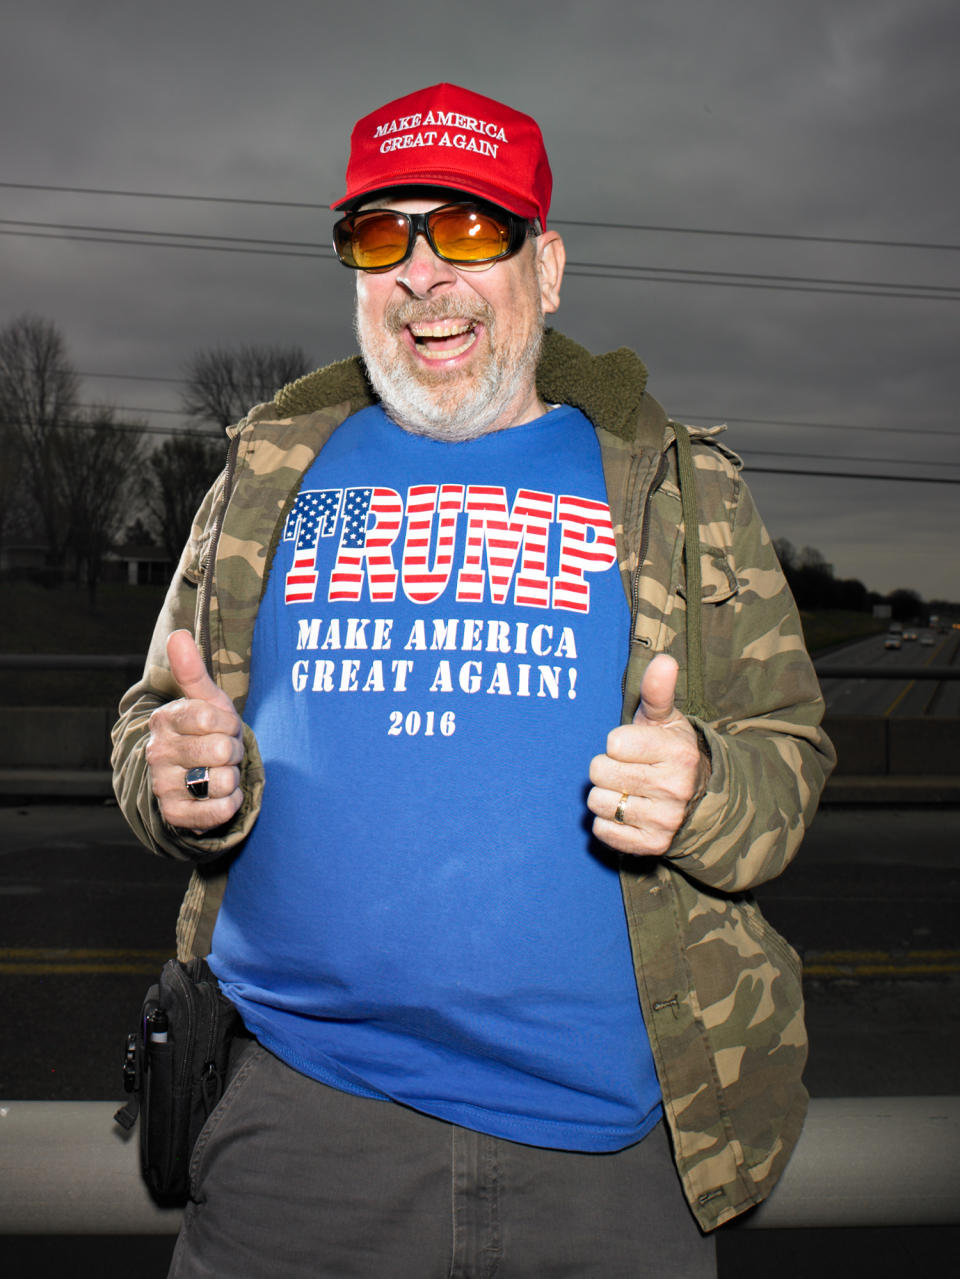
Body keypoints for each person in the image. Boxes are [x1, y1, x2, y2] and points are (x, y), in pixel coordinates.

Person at [112, 82, 835, 1278]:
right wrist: (173, 773)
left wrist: (704, 785)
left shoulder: (680, 491)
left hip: (608, 1157)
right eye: (383, 235)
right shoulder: (264, 476)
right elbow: (151, 725)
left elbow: (790, 759)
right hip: (295, 1132)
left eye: (470, 230)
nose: (423, 275)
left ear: (546, 268)